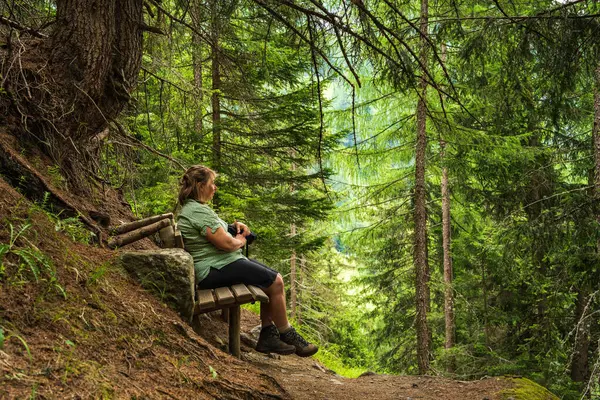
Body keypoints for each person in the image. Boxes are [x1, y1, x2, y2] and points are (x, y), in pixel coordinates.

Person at [176, 165, 318, 357]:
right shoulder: (198, 211)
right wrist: (240, 241)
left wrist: (234, 226)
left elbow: (217, 229)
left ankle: (268, 335)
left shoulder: (196, 208)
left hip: (218, 264)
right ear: (201, 186)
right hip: (213, 268)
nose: (215, 187)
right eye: (212, 183)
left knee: (270, 279)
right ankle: (286, 333)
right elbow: (225, 244)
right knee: (275, 281)